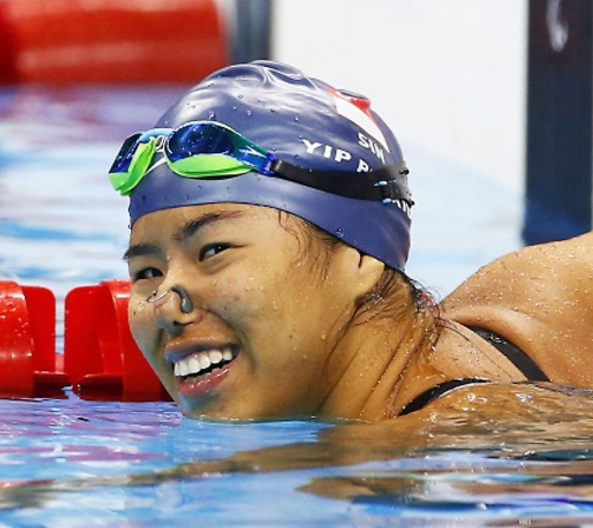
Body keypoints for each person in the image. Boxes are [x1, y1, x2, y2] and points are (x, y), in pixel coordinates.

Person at [109, 60, 593, 422]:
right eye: (148, 272)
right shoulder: (531, 287)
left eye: (214, 251)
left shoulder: (462, 449)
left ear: (360, 256)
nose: (164, 306)